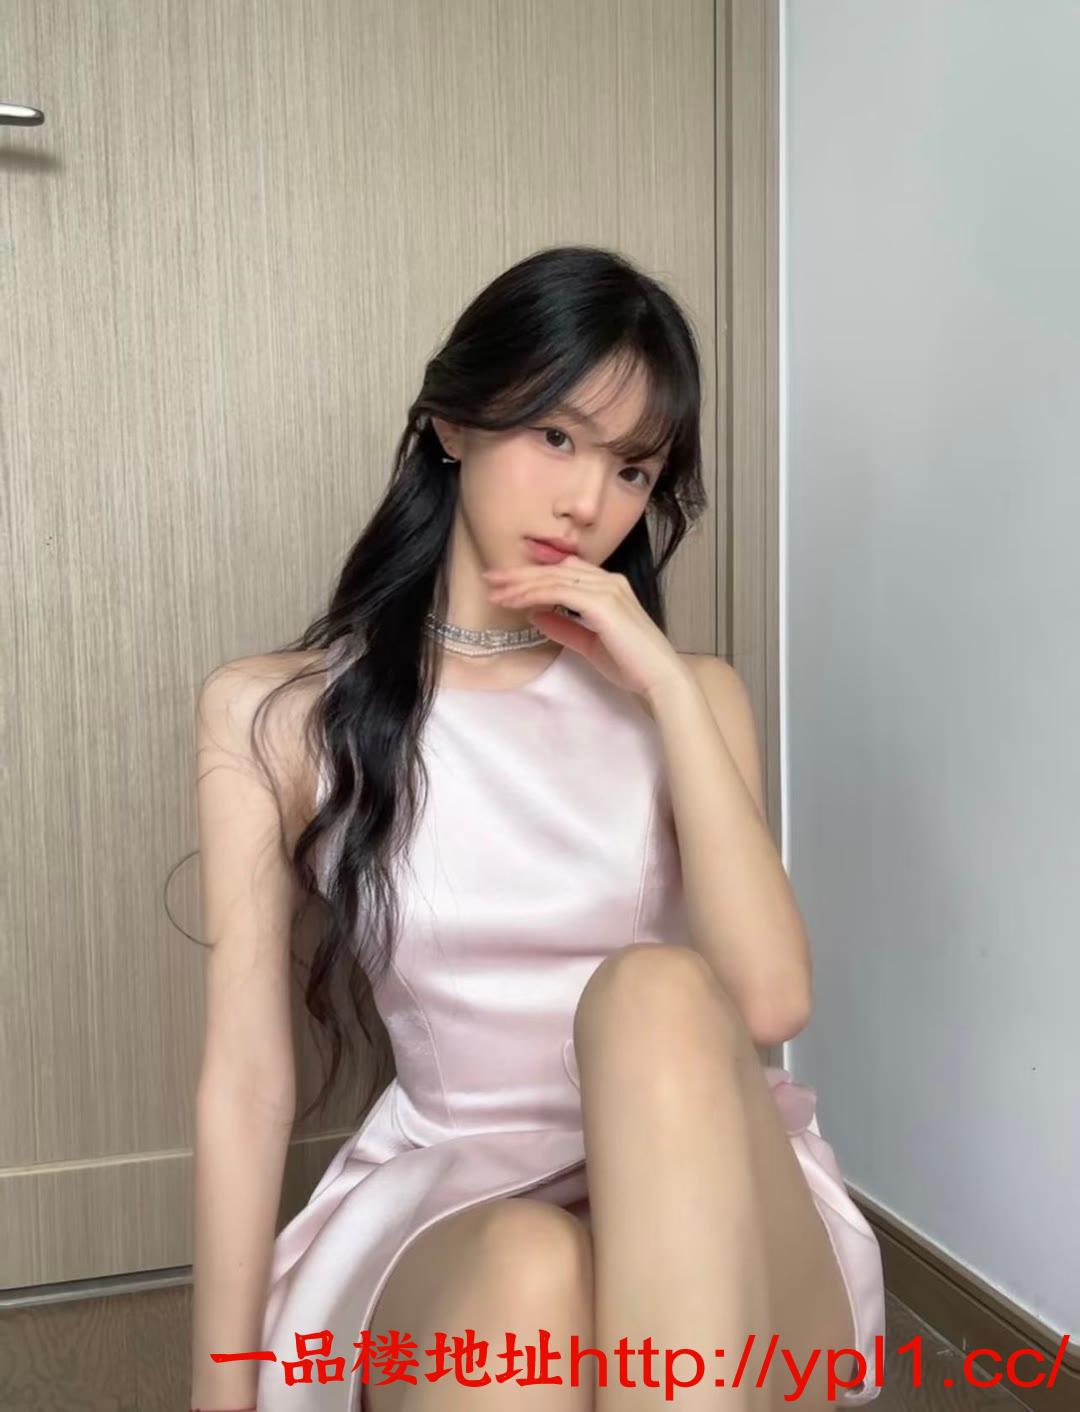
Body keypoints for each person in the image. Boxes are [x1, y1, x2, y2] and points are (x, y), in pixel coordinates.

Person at [187, 245, 886, 1412]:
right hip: (461, 1207)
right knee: (531, 1267)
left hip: (721, 1196)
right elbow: (248, 1079)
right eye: (557, 436)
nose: (587, 502)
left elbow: (768, 1004)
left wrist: (663, 686)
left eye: (632, 468)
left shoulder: (695, 697)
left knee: (657, 991)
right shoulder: (276, 714)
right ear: (453, 423)